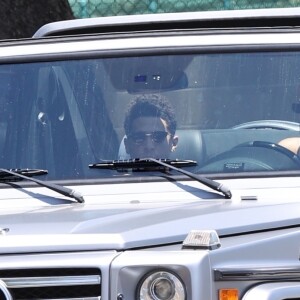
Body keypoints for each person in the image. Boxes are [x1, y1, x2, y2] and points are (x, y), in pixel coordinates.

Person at [124, 94, 178, 159]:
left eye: (158, 137)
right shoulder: (110, 169)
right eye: (139, 138)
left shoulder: (190, 169)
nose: (149, 146)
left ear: (173, 143)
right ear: (127, 145)